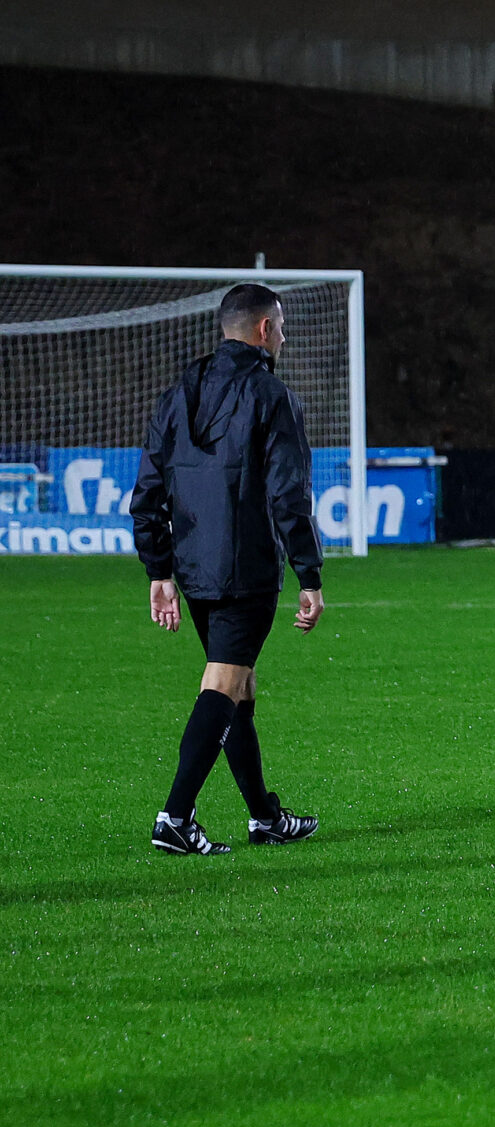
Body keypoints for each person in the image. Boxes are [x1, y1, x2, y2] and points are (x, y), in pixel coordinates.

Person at [131, 283, 325, 856]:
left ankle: (264, 815)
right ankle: (175, 817)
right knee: (223, 683)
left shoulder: (178, 394)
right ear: (265, 329)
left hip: (193, 569)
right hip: (247, 571)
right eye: (282, 327)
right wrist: (309, 575)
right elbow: (289, 495)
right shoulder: (271, 395)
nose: (283, 337)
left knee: (238, 687)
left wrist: (159, 569)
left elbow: (147, 492)